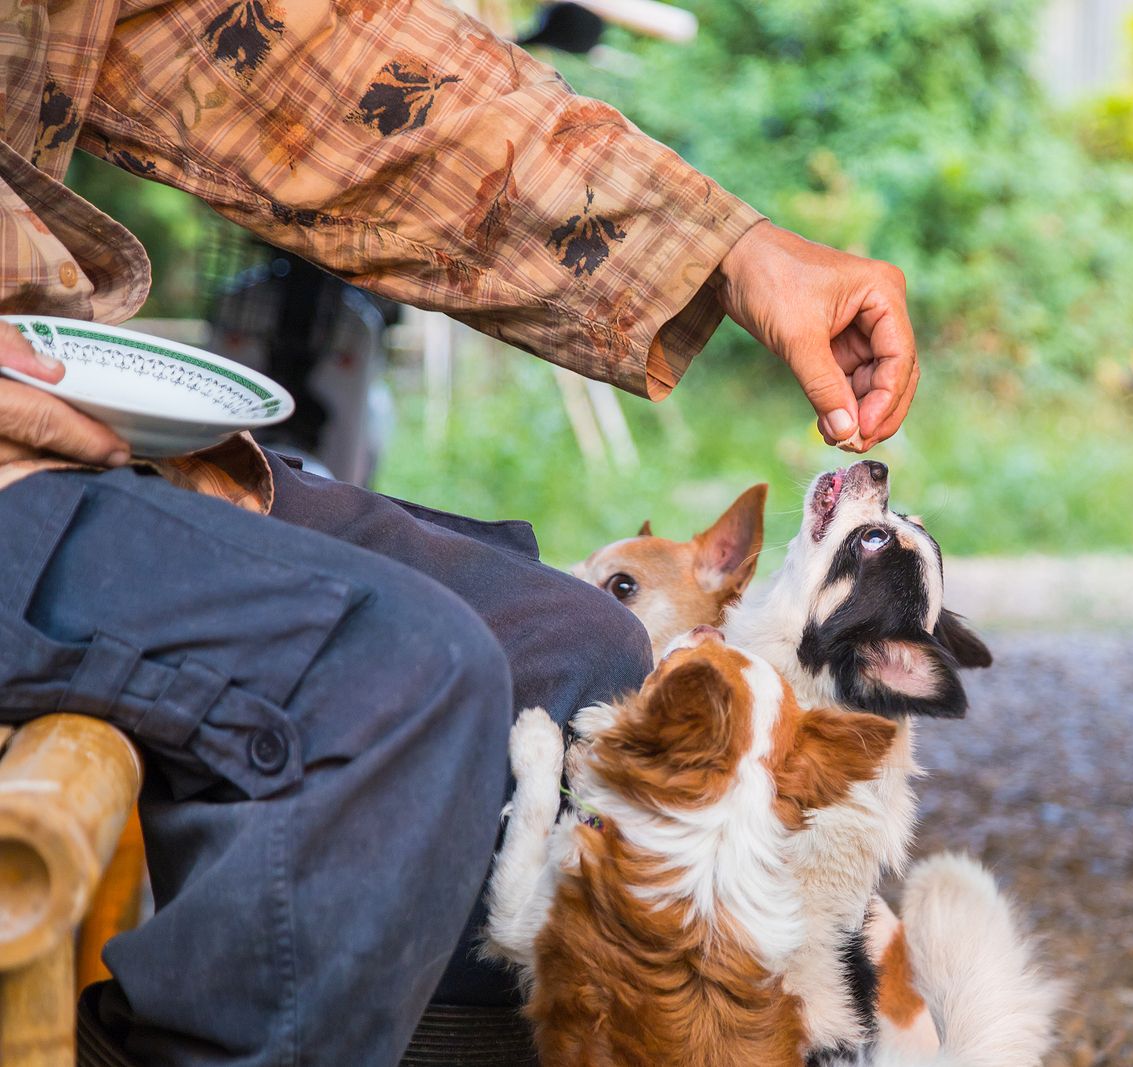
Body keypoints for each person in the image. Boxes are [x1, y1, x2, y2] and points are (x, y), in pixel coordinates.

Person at [0, 1, 918, 1064]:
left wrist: (728, 250)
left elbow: (299, 55)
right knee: (405, 676)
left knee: (576, 647)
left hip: (72, 433)